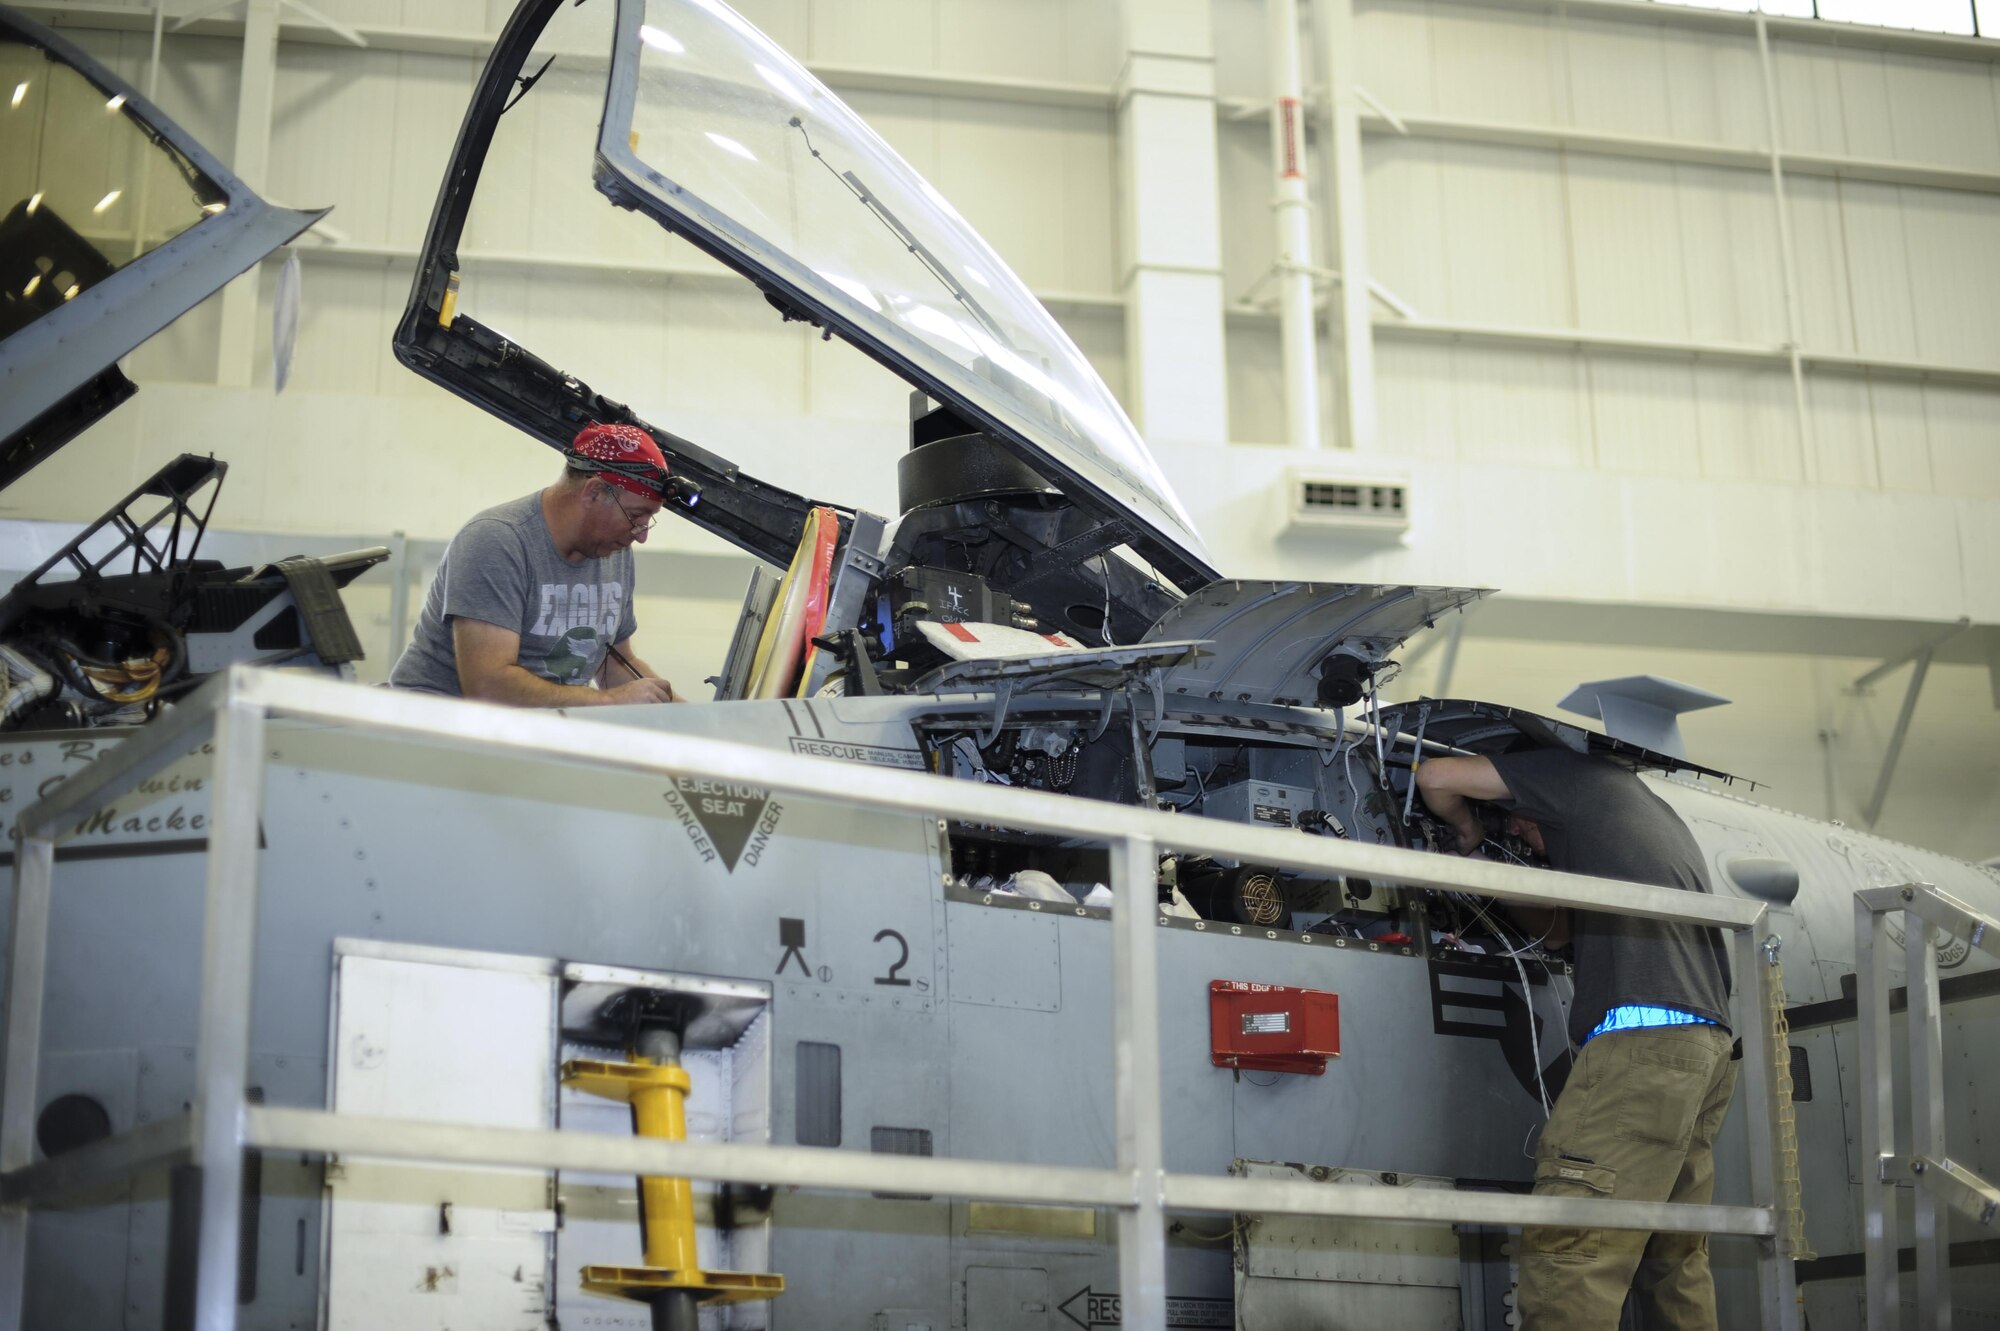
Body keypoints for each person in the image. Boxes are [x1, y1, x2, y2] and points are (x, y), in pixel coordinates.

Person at [1416, 746, 1735, 1331]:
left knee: (1573, 1241)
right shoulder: (1635, 820)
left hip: (1643, 1046)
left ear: (1529, 799)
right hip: (1701, 1048)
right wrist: (1489, 869)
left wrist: (1463, 832)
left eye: (1513, 819)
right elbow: (1560, 933)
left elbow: (1435, 776)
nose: (1515, 830)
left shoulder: (1570, 776)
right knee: (1674, 1255)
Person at [390, 423, 681, 707]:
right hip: (437, 725)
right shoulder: (497, 541)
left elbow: (616, 661)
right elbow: (488, 687)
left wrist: (698, 720)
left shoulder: (612, 551)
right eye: (635, 516)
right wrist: (608, 701)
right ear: (593, 492)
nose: (641, 535)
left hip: (532, 727)